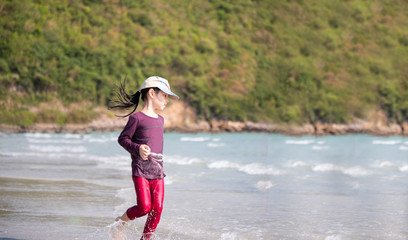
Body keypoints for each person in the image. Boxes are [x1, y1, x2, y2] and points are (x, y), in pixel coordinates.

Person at [109, 76, 179, 240]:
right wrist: (138, 148)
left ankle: (146, 238)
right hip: (140, 170)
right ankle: (120, 222)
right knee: (144, 207)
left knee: (158, 208)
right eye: (165, 95)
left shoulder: (161, 120)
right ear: (152, 93)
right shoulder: (136, 118)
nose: (167, 100)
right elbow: (123, 139)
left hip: (157, 171)